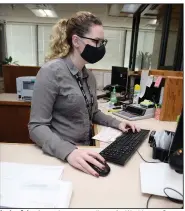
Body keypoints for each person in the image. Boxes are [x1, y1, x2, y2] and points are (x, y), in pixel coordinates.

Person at [28, 11, 140, 178]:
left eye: (103, 42)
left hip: (86, 149)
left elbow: (93, 112)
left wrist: (118, 123)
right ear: (76, 41)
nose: (101, 47)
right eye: (96, 41)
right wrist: (69, 152)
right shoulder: (51, 72)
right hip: (63, 154)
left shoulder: (89, 76)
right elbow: (36, 127)